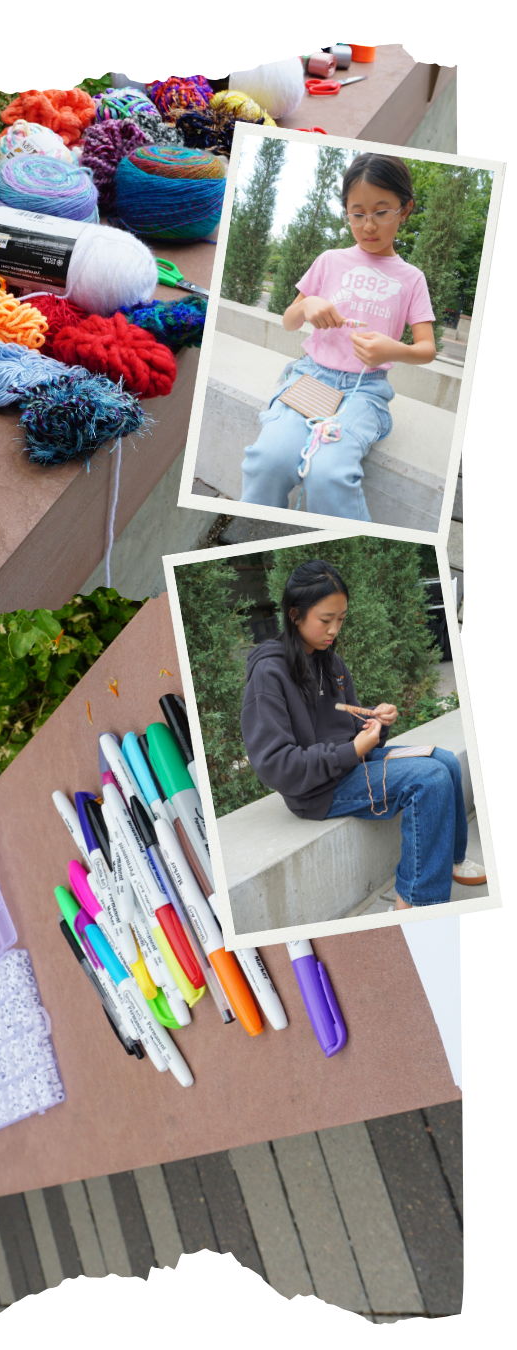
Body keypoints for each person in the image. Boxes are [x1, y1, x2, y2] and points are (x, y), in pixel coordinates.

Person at [240, 559, 486, 909]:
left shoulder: (331, 663)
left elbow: (351, 726)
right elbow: (276, 765)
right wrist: (353, 749)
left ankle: (451, 860)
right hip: (318, 790)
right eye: (326, 619)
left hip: (351, 765)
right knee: (429, 779)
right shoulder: (269, 673)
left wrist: (376, 723)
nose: (333, 630)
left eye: (340, 619)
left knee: (444, 760)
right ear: (295, 615)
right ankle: (416, 903)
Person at [240, 154, 438, 521]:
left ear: (405, 209)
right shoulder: (329, 260)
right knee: (268, 459)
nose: (368, 225)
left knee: (328, 473)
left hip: (365, 391)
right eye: (357, 214)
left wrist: (394, 350)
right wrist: (307, 304)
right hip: (311, 377)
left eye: (382, 212)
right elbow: (289, 321)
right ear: (346, 212)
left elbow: (427, 349)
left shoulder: (412, 279)